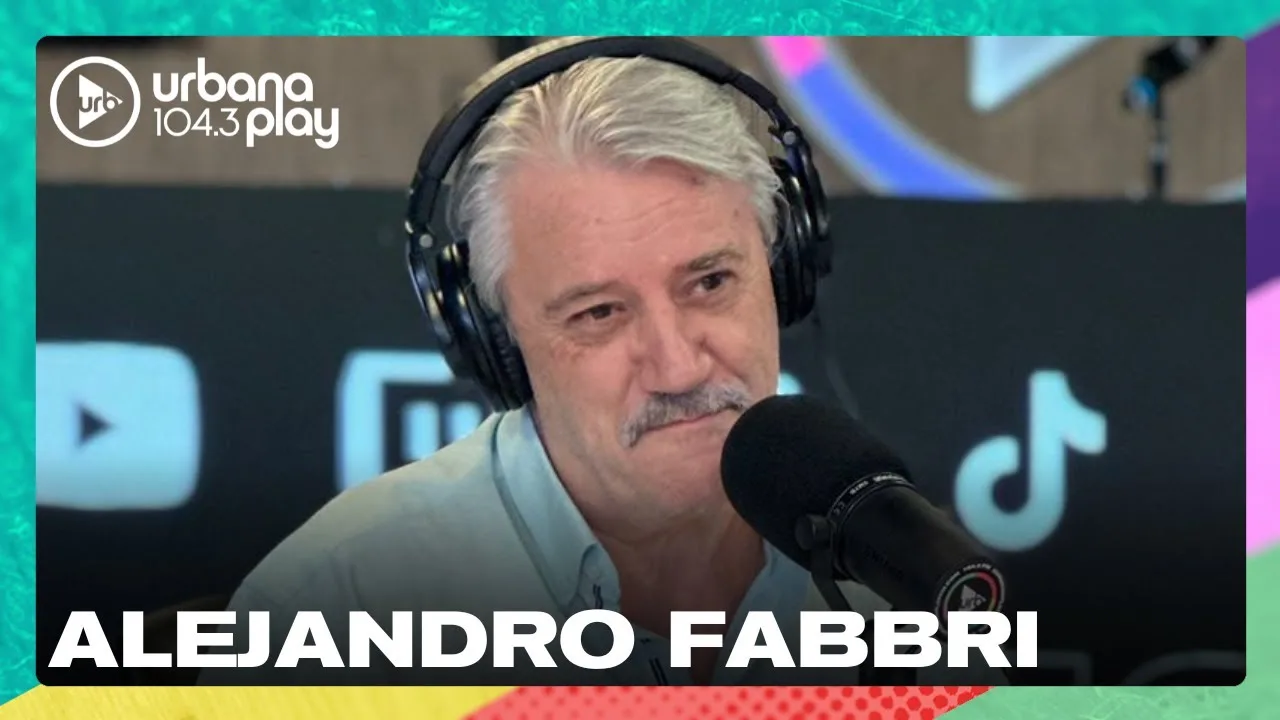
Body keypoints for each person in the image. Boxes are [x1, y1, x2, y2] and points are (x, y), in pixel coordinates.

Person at [199, 38, 1006, 686]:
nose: (678, 366)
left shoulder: (903, 595)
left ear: (783, 270)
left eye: (710, 282)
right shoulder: (334, 610)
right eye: (599, 313)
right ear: (496, 340)